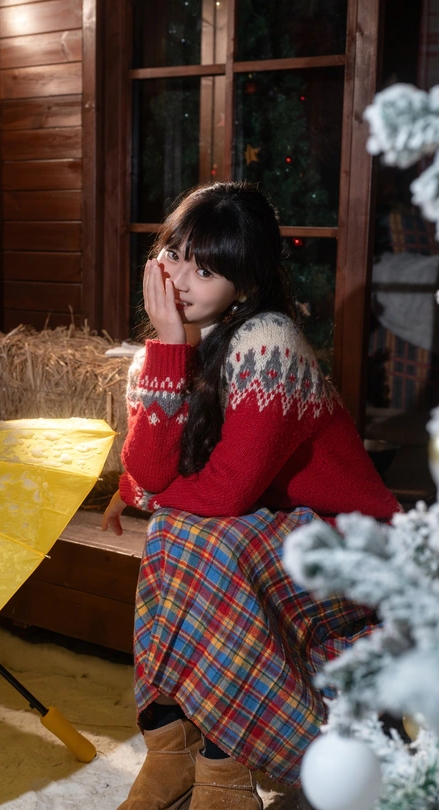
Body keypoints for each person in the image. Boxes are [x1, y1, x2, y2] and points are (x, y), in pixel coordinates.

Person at [102, 182, 399, 810]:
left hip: (352, 541)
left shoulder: (269, 341)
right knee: (181, 533)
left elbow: (224, 492)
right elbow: (151, 469)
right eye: (175, 254)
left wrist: (143, 493)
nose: (181, 279)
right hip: (271, 526)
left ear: (246, 284)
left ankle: (225, 765)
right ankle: (171, 748)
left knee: (206, 542)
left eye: (206, 269)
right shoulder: (163, 350)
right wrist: (167, 348)